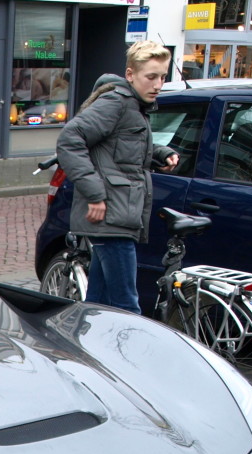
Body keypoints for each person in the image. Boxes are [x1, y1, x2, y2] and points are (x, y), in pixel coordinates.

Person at [55, 40, 179, 314]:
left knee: (98, 303)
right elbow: (69, 139)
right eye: (151, 77)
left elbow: (119, 151)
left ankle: (83, 348)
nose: (158, 85)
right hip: (111, 216)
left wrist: (160, 154)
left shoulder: (135, 107)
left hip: (117, 215)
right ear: (130, 74)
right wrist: (95, 193)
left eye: (162, 77)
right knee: (127, 306)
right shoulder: (117, 102)